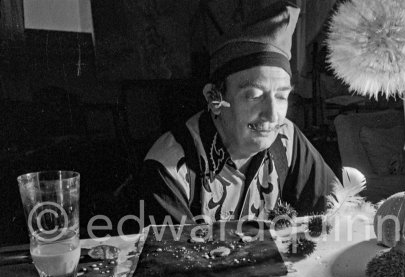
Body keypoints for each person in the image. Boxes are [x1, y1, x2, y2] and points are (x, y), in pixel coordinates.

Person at [141, 1, 339, 224]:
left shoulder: (288, 140)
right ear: (214, 97)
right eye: (254, 95)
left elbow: (339, 214)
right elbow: (176, 257)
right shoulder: (170, 167)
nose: (273, 115)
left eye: (282, 96)